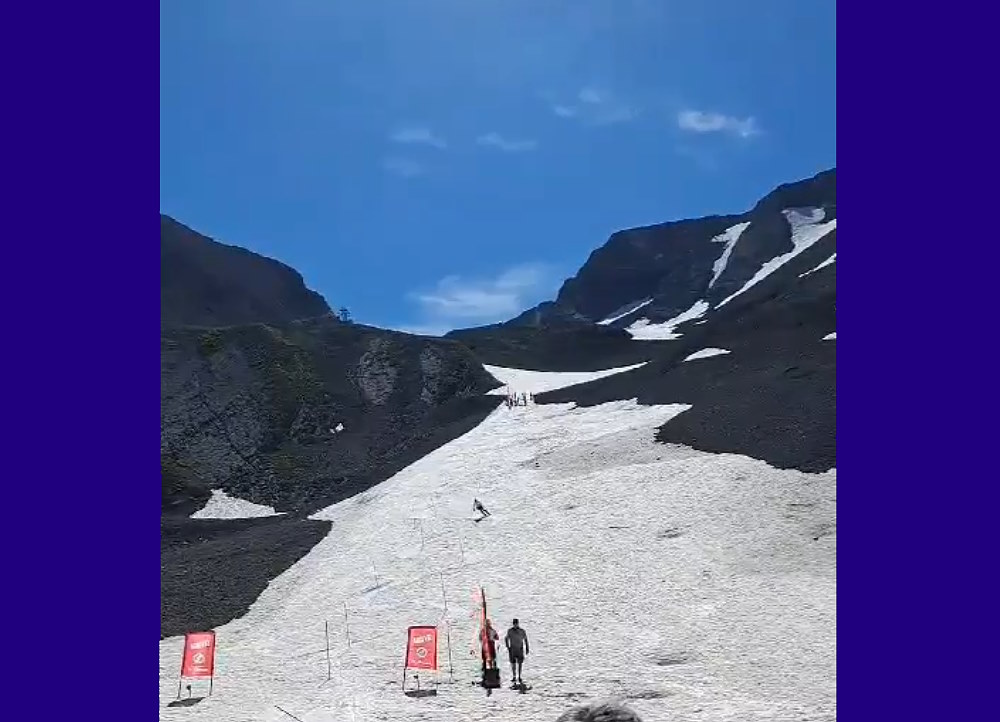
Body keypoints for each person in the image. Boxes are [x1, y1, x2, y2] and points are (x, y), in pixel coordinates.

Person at [504, 618, 529, 685]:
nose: (515, 625)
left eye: (516, 623)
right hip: (512, 649)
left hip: (520, 649)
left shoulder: (522, 631)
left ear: (518, 623)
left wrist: (527, 648)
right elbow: (506, 638)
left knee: (520, 663)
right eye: (514, 624)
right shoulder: (510, 631)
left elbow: (526, 640)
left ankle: (519, 676)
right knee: (513, 664)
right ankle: (514, 676)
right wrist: (508, 646)